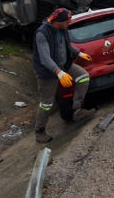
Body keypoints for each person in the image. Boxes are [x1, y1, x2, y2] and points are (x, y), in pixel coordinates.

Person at [32, 8, 93, 143]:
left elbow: (67, 46)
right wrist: (58, 72)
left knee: (83, 76)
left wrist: (79, 54)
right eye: (66, 21)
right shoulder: (42, 33)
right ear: (57, 22)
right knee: (46, 103)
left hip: (65, 65)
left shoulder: (63, 29)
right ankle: (39, 131)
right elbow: (44, 57)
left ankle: (77, 110)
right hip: (48, 72)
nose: (69, 23)